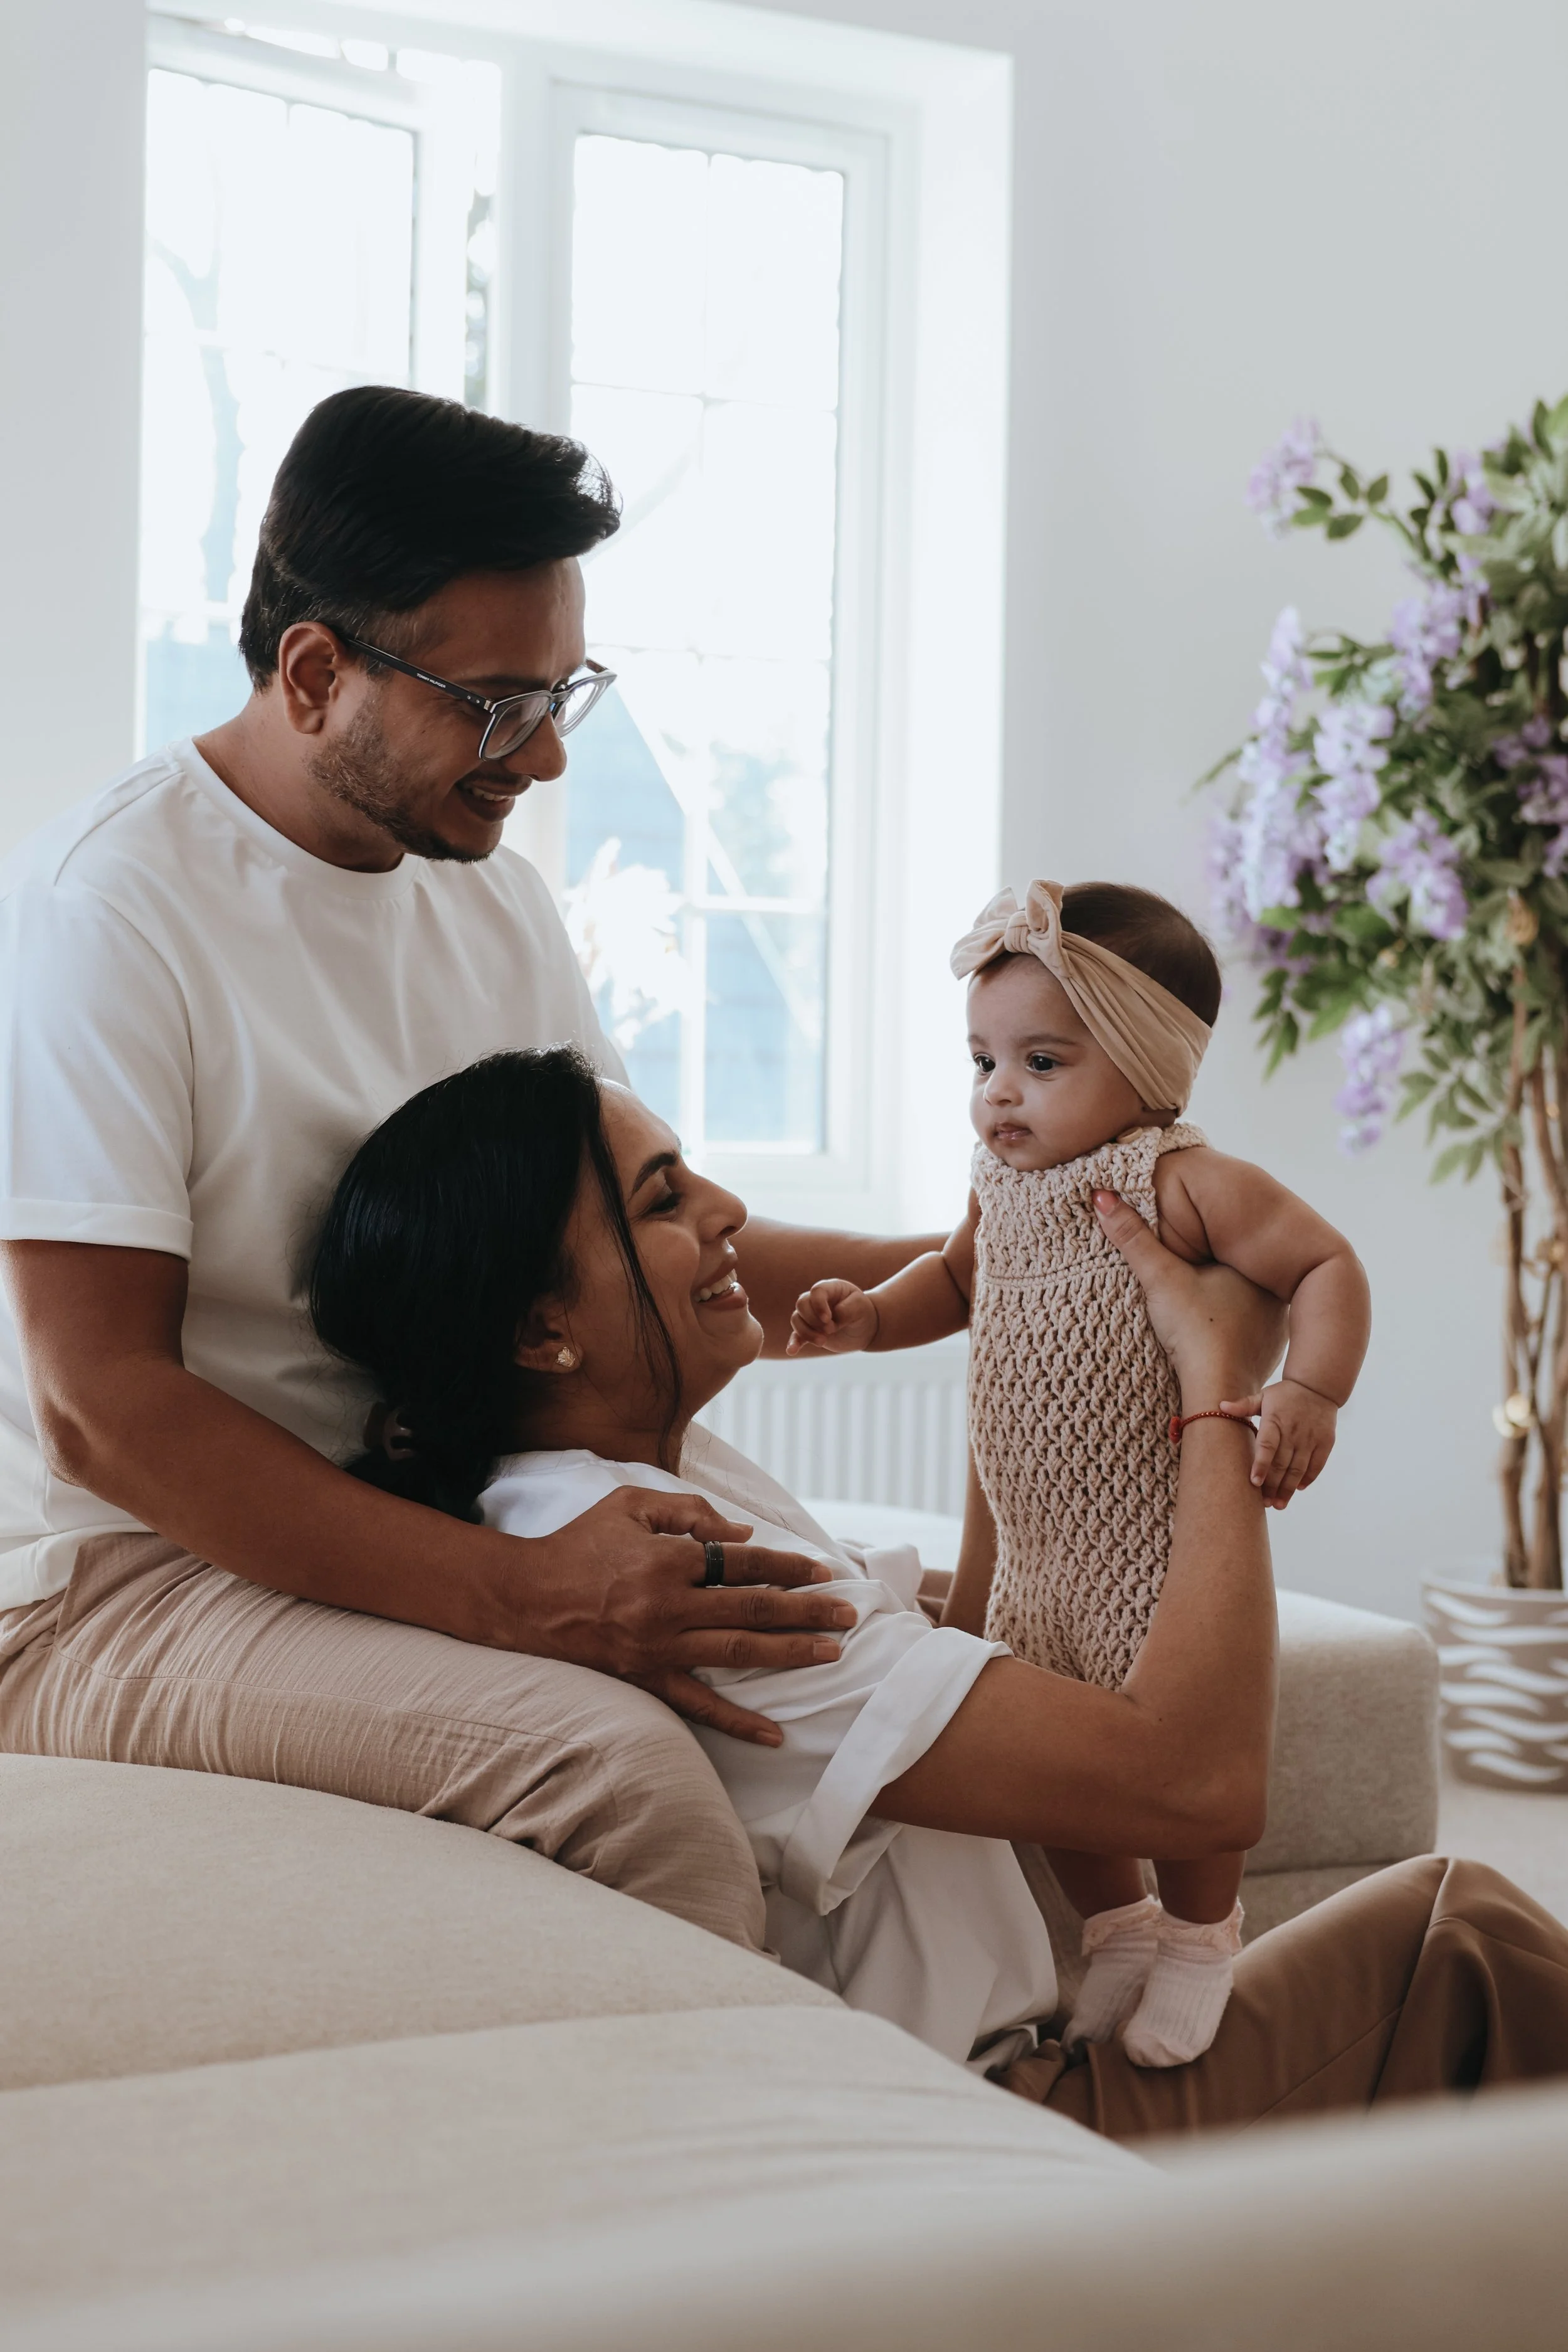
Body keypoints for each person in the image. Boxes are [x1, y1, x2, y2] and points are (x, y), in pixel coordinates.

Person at [0, 386, 934, 1950]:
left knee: (900, 1662)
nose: (550, 757)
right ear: (314, 674)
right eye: (501, 702)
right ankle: (756, 2183)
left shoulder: (484, 897)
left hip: (433, 1488)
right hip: (110, 1578)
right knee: (623, 1779)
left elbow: (651, 1239)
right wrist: (526, 1599)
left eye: (568, 694)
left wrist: (974, 1267)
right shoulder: (113, 914)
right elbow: (106, 1411)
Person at [306, 1041, 1568, 2132]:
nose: (730, 1209)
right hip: (992, 2137)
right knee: (1461, 1943)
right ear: (541, 1333)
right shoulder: (677, 1574)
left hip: (1020, 2075)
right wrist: (1215, 1391)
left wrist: (1028, 1355)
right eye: (663, 1202)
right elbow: (1196, 1782)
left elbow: (966, 1639)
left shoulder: (581, 1496)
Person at [785, 877, 1372, 2067]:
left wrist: (1310, 1388)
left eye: (1041, 1062)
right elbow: (950, 1285)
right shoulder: (996, 1191)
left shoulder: (1180, 1178)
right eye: (982, 1060)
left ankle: (1203, 1934)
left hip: (1155, 1545)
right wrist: (867, 1320)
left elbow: (1324, 1264)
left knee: (1184, 1765)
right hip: (1036, 1546)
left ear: (1147, 1070)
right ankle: (1119, 1925)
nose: (999, 1092)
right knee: (1053, 1772)